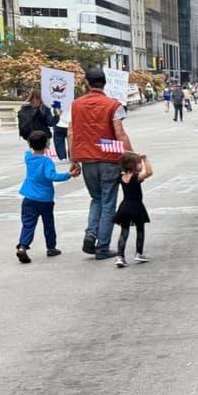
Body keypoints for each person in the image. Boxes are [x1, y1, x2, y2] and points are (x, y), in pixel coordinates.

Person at [68, 66, 133, 260]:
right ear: (104, 83)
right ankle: (102, 246)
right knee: (108, 203)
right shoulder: (114, 105)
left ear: (87, 83)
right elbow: (120, 133)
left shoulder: (75, 105)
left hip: (87, 159)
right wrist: (130, 156)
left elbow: (71, 132)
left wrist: (74, 160)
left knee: (96, 198)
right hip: (109, 159)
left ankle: (90, 235)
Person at [16, 130, 77, 263]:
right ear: (47, 145)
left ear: (30, 144)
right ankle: (51, 247)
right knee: (48, 223)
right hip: (44, 199)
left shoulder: (28, 157)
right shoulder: (46, 161)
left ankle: (22, 246)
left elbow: (29, 149)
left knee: (28, 224)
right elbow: (52, 176)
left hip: (29, 198)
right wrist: (69, 174)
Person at [112, 151, 153, 268]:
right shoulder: (136, 178)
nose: (141, 165)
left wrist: (130, 160)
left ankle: (120, 256)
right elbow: (149, 172)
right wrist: (145, 158)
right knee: (140, 230)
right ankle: (139, 253)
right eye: (139, 163)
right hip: (136, 207)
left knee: (124, 232)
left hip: (124, 207)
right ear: (133, 165)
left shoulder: (121, 177)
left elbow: (119, 169)